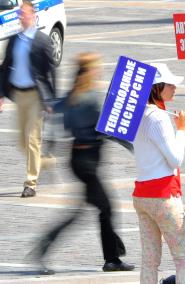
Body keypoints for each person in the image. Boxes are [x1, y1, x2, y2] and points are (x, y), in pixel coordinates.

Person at [30, 53, 134, 274]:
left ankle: (112, 253)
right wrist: (132, 145)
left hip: (78, 160)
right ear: (89, 71)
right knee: (105, 207)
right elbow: (108, 128)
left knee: (88, 211)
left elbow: (54, 109)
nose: (99, 71)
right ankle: (112, 257)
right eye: (96, 68)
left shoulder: (72, 96)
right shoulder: (91, 98)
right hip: (88, 162)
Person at [132, 63, 185, 284]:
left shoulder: (139, 113)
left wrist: (183, 132)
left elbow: (159, 151)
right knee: (184, 258)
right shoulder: (158, 117)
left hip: (142, 193)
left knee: (150, 260)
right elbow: (175, 159)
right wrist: (180, 129)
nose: (174, 88)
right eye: (170, 84)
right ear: (157, 87)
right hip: (163, 196)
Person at [0, 0, 56, 198]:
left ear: (33, 15)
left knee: (32, 140)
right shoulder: (14, 40)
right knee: (22, 143)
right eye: (19, 14)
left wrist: (51, 101)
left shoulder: (42, 40)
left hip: (36, 96)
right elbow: (5, 67)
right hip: (18, 96)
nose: (21, 17)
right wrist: (1, 95)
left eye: (25, 13)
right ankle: (44, 161)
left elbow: (51, 72)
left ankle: (30, 183)